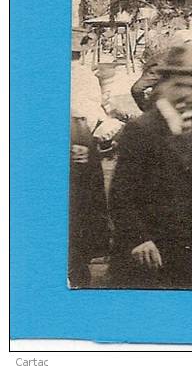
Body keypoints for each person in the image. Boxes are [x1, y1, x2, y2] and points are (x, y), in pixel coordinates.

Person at [107, 41, 192, 288]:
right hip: (150, 255)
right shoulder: (141, 130)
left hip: (190, 251)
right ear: (164, 84)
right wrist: (139, 238)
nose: (185, 93)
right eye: (179, 85)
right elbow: (120, 194)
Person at [69, 29, 114, 287]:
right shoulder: (83, 75)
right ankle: (80, 265)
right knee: (82, 201)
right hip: (78, 135)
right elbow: (90, 111)